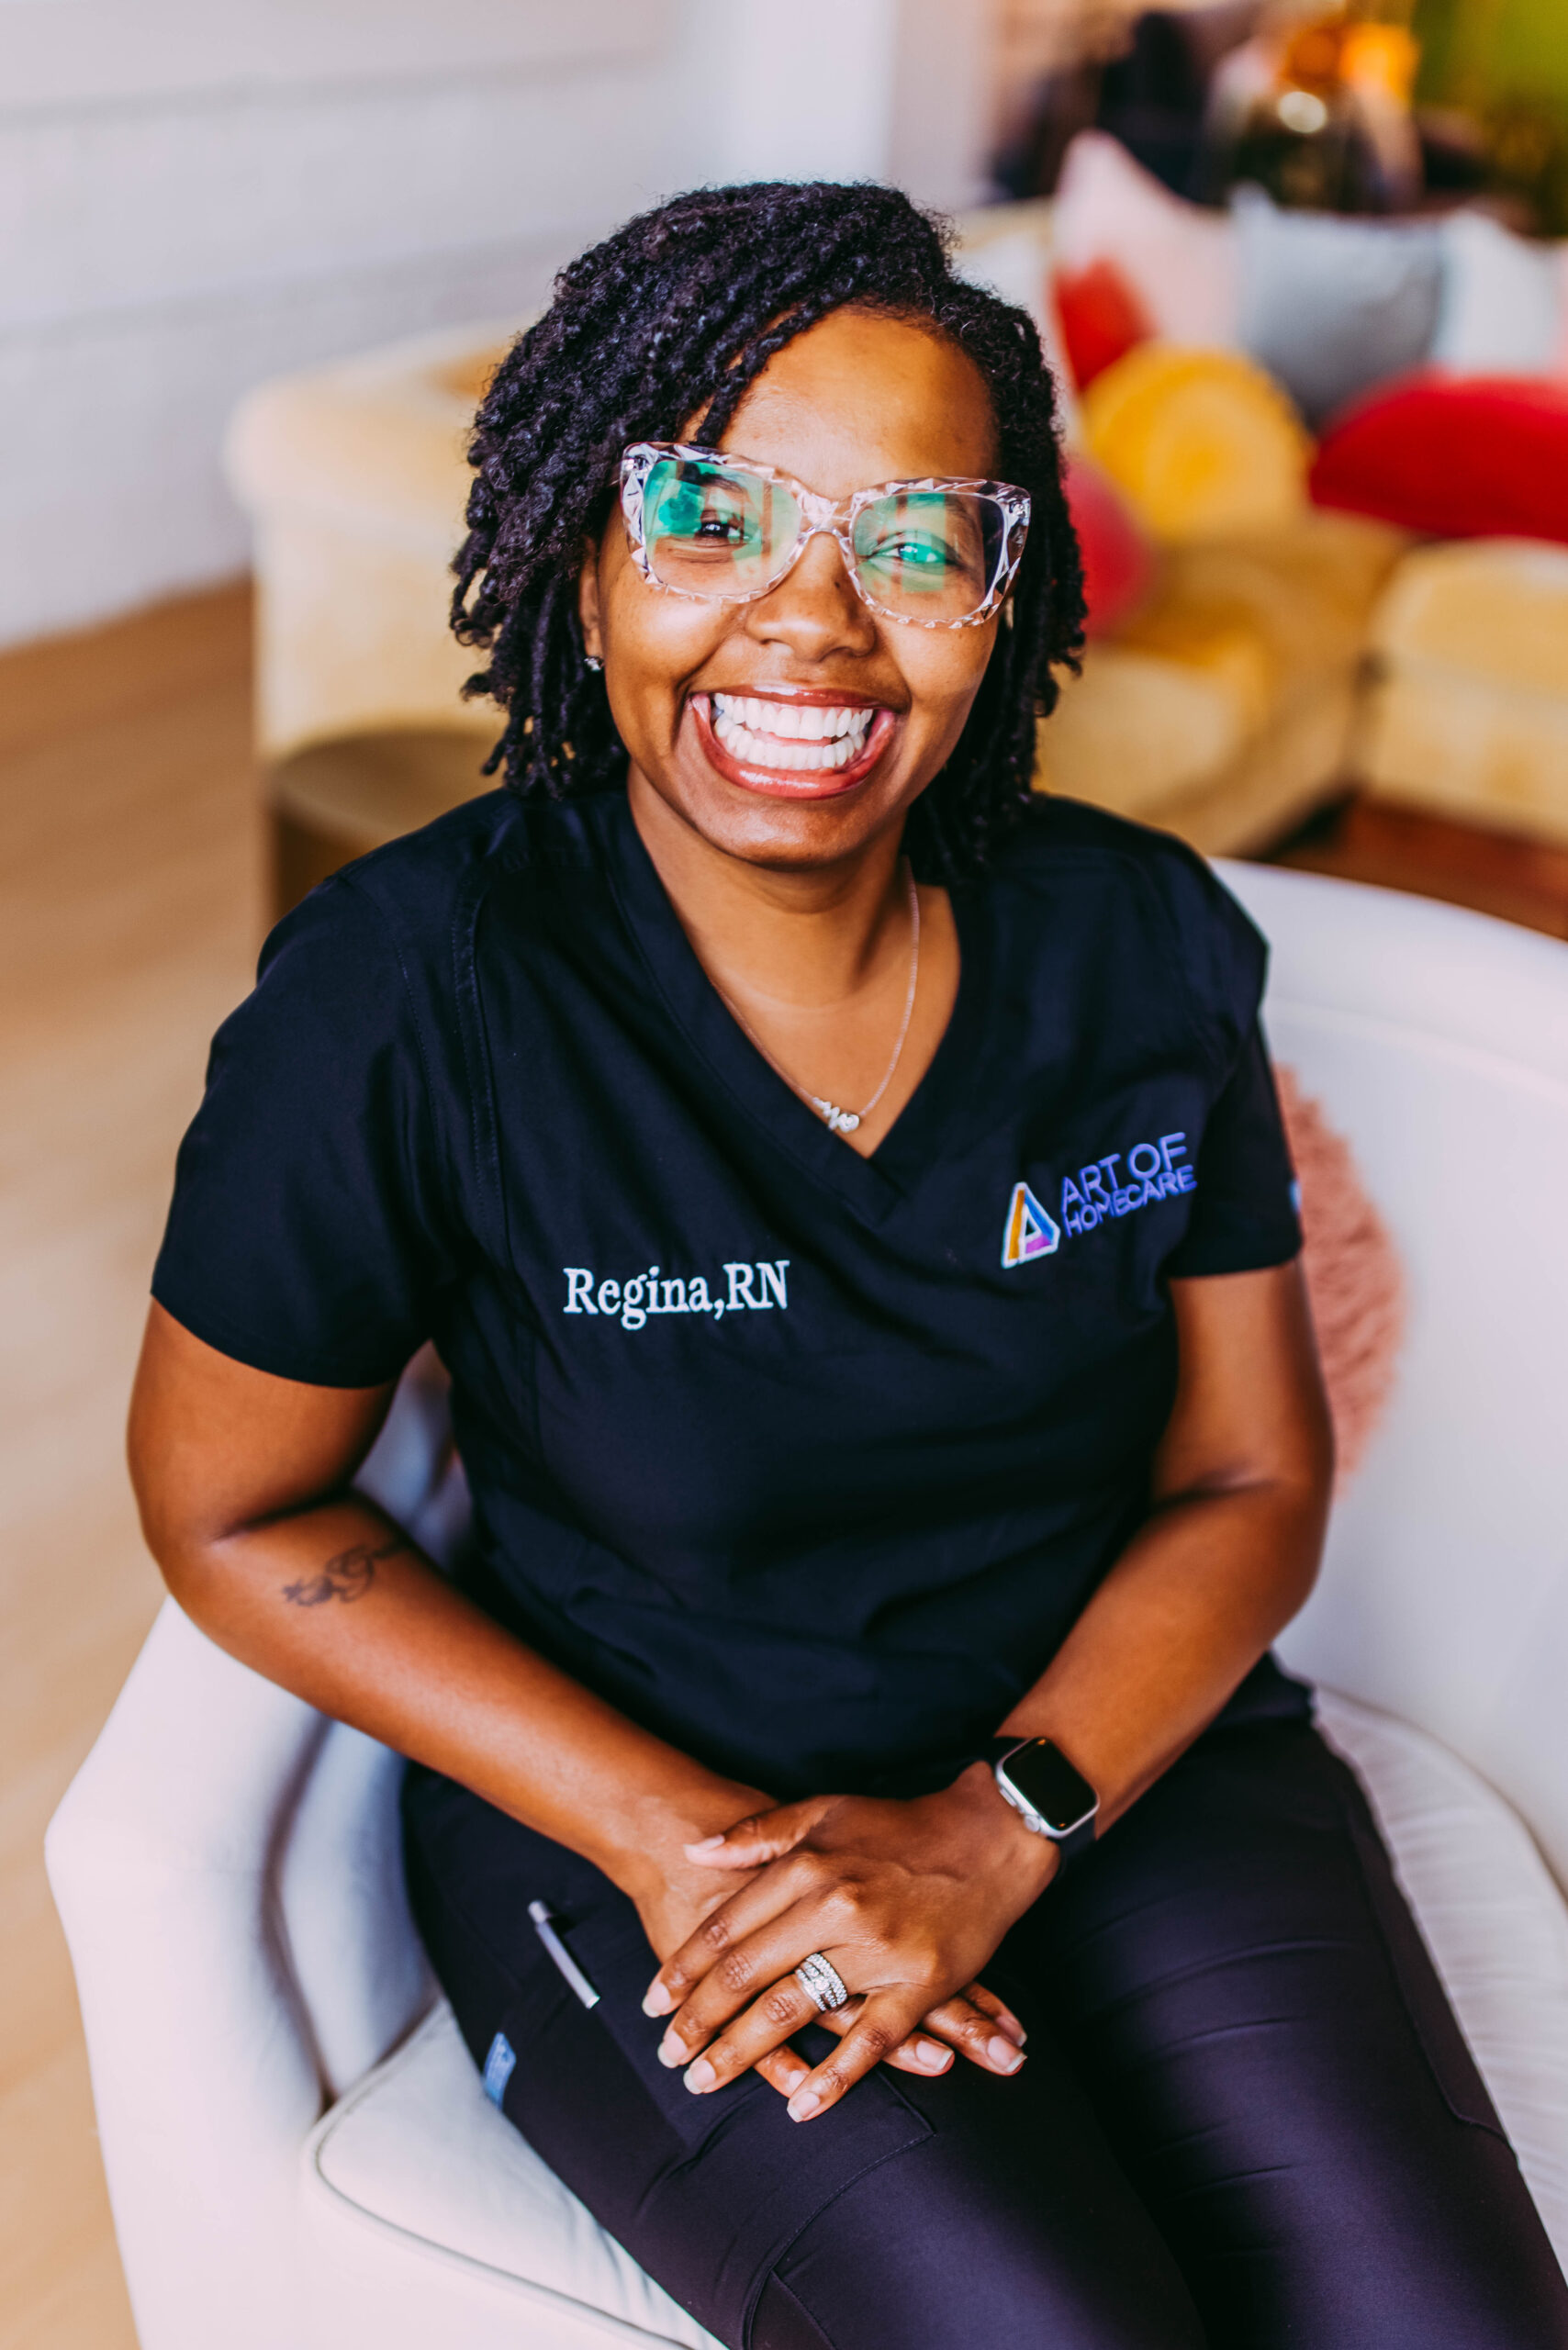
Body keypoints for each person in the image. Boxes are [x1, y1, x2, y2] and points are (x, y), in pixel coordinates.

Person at [129, 181, 1568, 2350]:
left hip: (1117, 1763)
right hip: (647, 1823)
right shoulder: (406, 993)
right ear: (586, 553)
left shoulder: (1138, 939)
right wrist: (700, 1847)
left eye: (912, 538)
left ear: (1007, 591)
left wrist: (991, 1833)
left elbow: (1248, 1476)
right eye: (711, 513)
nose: (808, 619)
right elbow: (233, 1503)